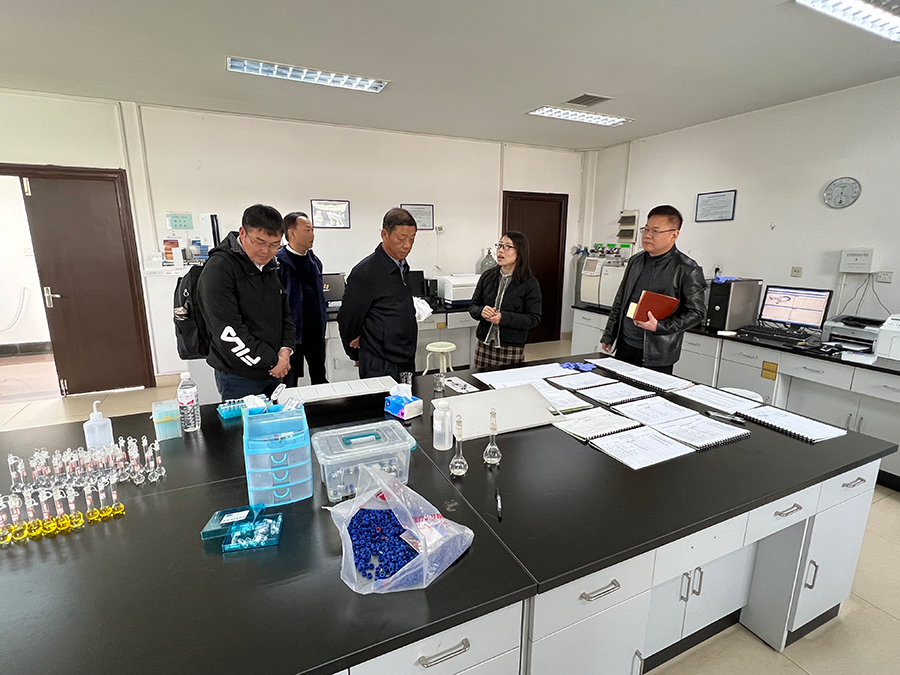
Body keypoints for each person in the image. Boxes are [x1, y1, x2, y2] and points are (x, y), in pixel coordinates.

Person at [197, 204, 296, 400]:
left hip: (276, 369)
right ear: (242, 233)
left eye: (274, 245)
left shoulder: (270, 266)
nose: (266, 251)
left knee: (279, 419)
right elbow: (227, 330)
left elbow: (284, 314)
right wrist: (271, 361)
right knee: (243, 420)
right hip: (239, 376)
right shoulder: (219, 268)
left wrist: (285, 351)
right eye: (259, 242)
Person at [599, 204, 706, 374]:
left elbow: (696, 313)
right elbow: (621, 299)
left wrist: (660, 326)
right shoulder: (636, 261)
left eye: (655, 231)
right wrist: (610, 334)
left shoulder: (687, 269)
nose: (648, 235)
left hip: (657, 353)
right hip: (626, 345)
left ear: (674, 235)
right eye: (646, 229)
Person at [338, 208, 418, 379]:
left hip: (405, 357)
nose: (407, 245)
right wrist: (356, 354)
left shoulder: (402, 267)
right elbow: (348, 319)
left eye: (412, 239)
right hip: (379, 361)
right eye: (401, 239)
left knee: (409, 397)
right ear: (384, 235)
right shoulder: (365, 273)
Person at [468, 231, 542, 368]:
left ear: (520, 251)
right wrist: (481, 311)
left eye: (508, 247)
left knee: (508, 380)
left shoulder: (529, 282)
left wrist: (503, 318)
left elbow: (534, 318)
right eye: (500, 245)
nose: (501, 250)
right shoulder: (487, 276)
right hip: (484, 344)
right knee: (479, 380)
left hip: (511, 347)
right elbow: (473, 306)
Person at [276, 212, 328, 386]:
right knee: (289, 381)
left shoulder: (314, 261)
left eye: (312, 230)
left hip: (315, 332)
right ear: (291, 233)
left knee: (319, 376)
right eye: (307, 230)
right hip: (292, 335)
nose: (312, 235)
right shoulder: (278, 263)